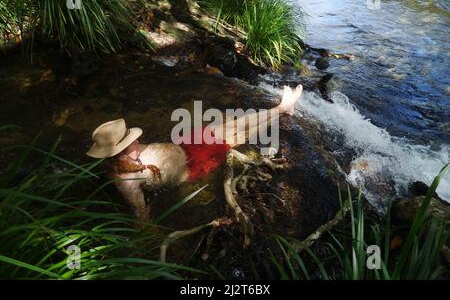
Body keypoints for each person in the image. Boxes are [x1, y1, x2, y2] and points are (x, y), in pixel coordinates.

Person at [86, 85, 303, 221]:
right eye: (130, 143)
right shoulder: (126, 183)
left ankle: (282, 108)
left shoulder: (128, 155)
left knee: (233, 125)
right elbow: (141, 215)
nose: (137, 142)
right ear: (116, 153)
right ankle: (282, 111)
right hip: (192, 165)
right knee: (236, 137)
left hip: (183, 144)